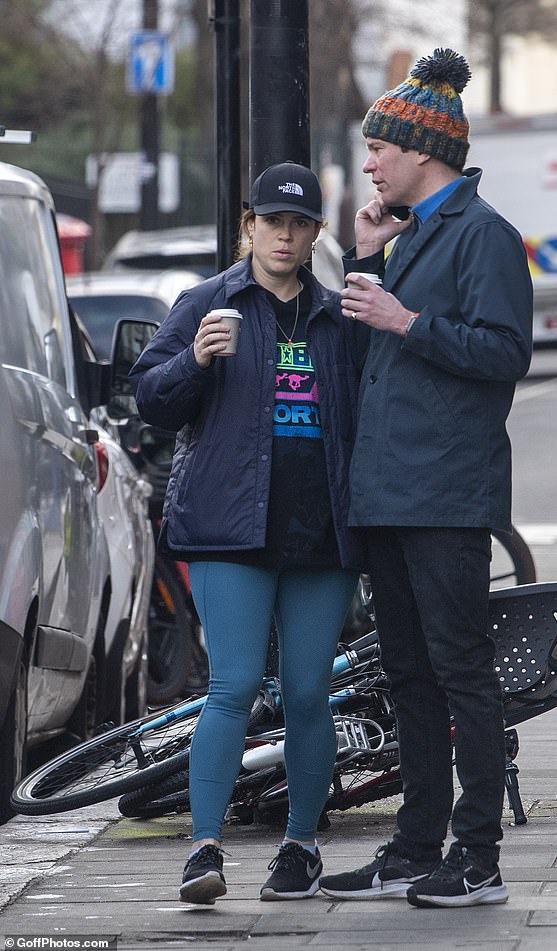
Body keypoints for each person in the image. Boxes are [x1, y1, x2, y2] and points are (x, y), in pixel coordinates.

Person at [318, 48, 533, 908]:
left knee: (460, 673)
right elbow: (376, 353)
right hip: (386, 492)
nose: (368, 162)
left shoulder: (484, 235)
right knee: (405, 673)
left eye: (378, 148)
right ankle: (413, 847)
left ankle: (476, 856)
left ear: (422, 152)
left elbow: (506, 352)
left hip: (446, 495)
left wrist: (408, 316)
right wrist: (369, 263)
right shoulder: (403, 237)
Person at [129, 162, 366, 905]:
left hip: (319, 530)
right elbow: (150, 398)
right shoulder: (206, 302)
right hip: (231, 528)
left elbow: (363, 416)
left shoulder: (335, 317)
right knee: (231, 685)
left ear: (315, 234)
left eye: (299, 225)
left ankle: (299, 847)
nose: (284, 236)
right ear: (249, 226)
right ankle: (204, 849)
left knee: (306, 692)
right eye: (272, 222)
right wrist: (196, 360)